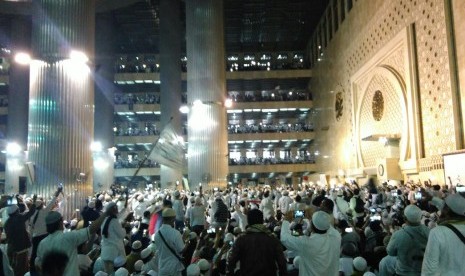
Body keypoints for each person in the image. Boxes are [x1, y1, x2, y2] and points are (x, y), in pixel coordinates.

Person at [36, 210, 108, 276]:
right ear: (60, 223)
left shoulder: (41, 244)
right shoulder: (69, 237)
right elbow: (91, 229)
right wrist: (105, 214)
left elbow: (38, 265)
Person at [227, 209, 287, 276]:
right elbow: (282, 262)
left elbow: (231, 261)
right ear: (261, 221)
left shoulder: (241, 239)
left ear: (248, 222)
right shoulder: (272, 238)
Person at [280, 210, 341, 276]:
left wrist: (286, 220)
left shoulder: (307, 243)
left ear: (312, 225)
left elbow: (284, 238)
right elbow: (324, 224)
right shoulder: (336, 238)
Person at [422, 193, 465, 275]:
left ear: (447, 210)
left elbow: (429, 269)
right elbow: (455, 206)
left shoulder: (438, 232)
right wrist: (432, 198)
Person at [385, 204, 429, 275]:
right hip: (424, 272)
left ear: (405, 218)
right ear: (420, 217)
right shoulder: (429, 232)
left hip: (404, 273)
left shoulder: (398, 235)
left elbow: (390, 252)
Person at [29, 188, 61, 276]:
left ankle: (33, 271)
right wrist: (57, 192)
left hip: (35, 237)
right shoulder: (44, 212)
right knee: (46, 254)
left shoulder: (31, 215)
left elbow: (30, 228)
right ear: (41, 206)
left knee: (34, 255)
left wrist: (31, 238)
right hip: (44, 236)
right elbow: (51, 202)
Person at [4, 194, 37, 276]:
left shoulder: (6, 223)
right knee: (21, 269)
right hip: (20, 249)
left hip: (12, 248)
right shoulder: (19, 218)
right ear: (16, 211)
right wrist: (34, 201)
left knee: (13, 268)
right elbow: (31, 212)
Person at [153, 208, 185, 276]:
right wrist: (188, 243)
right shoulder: (175, 233)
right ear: (173, 219)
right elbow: (181, 250)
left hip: (162, 268)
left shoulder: (157, 234)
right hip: (174, 268)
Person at [100, 202, 127, 274]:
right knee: (113, 272)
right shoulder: (114, 221)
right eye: (116, 208)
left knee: (107, 271)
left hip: (105, 250)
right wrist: (124, 229)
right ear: (113, 210)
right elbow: (121, 235)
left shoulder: (105, 220)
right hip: (114, 251)